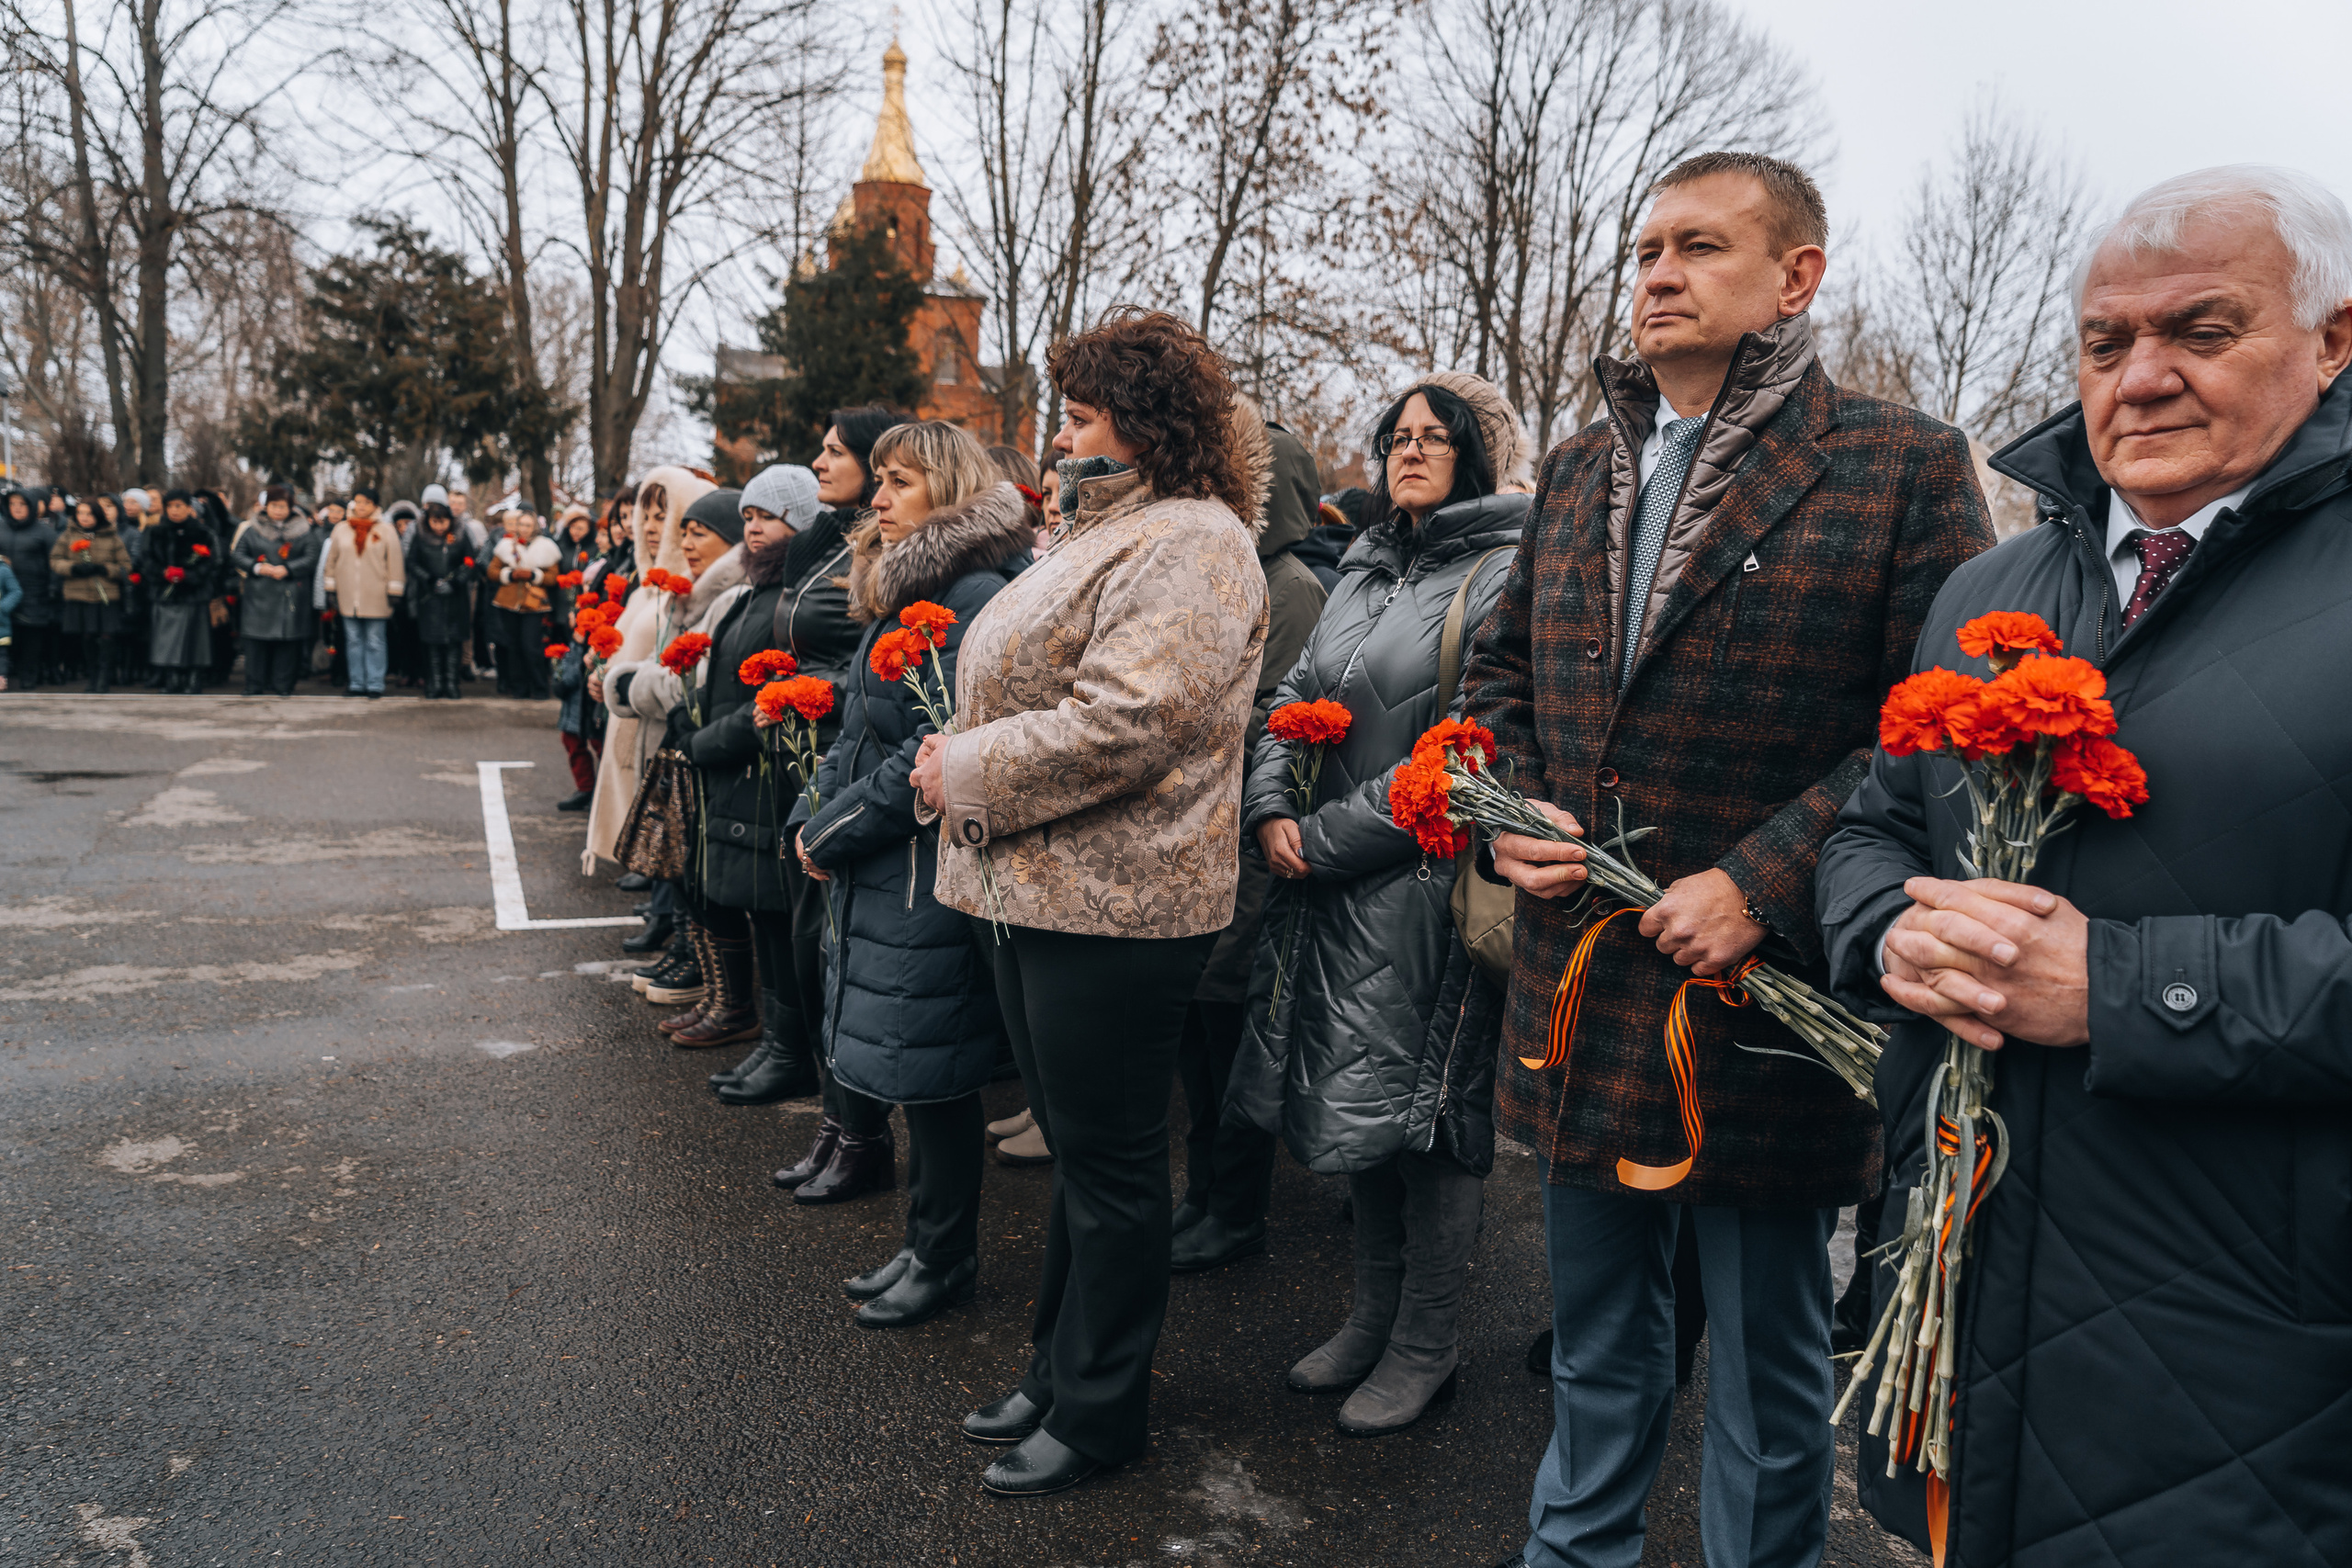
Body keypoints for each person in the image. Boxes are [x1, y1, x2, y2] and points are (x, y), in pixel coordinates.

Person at [1816, 164, 2352, 1567]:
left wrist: (2122, 986)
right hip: (1967, 1284)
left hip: (2255, 1352)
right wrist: (1886, 932)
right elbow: (1877, 822)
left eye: (2204, 330)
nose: (2146, 375)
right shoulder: (1993, 588)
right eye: (2107, 343)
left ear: (2334, 339)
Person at [1464, 152, 1993, 1568]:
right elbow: (1499, 675)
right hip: (1580, 982)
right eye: (1645, 250)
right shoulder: (1578, 465)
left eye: (1698, 247)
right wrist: (1507, 804)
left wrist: (1764, 882)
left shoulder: (1901, 463)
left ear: (1795, 277)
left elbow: (1931, 727)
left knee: (1769, 1381)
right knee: (1596, 1345)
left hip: (1763, 1006)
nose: (1655, 275)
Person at [907, 307, 1268, 1498]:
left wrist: (961, 767)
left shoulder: (1198, 541)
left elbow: (1129, 720)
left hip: (1122, 902)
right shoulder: (1104, 530)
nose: (1059, 438)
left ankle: (1102, 1407)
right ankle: (1055, 1372)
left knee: (1112, 1170)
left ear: (1147, 422)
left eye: (1079, 414)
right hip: (1042, 884)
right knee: (1080, 1159)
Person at [1225, 376, 1527, 1436]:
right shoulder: (1358, 569)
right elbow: (1286, 698)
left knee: (1427, 1122)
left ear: (1473, 455)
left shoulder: (1502, 573)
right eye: (1396, 436)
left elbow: (1475, 753)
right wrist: (1269, 811)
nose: (1408, 452)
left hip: (1423, 895)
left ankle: (1425, 1342)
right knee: (1356, 1108)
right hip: (1326, 891)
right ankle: (1370, 1317)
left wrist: (1321, 839)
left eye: (1433, 438)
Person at [785, 426, 1026, 1316]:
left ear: (950, 489)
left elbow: (932, 748)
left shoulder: (970, 596)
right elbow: (857, 730)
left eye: (898, 482)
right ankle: (925, 1246)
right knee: (910, 1065)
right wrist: (810, 816)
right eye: (876, 481)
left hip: (927, 865)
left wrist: (834, 829)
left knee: (936, 1072)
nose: (876, 499)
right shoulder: (906, 587)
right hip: (878, 861)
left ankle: (943, 1257)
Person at [1170, 413, 1331, 1267]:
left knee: (1232, 1037)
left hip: (1248, 850)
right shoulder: (1226, 570)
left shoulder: (1291, 586)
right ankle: (1202, 1194)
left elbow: (1273, 722)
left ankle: (1236, 1207)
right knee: (1199, 1033)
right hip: (1205, 841)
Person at [761, 407, 916, 1189]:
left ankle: (861, 1135)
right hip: (824, 770)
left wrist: (805, 689)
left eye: (834, 452)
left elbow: (874, 691)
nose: (819, 462)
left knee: (856, 968)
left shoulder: (908, 568)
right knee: (816, 956)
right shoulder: (839, 543)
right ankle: (836, 1121)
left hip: (862, 784)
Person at [697, 462, 843, 1104]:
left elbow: (769, 697)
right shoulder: (761, 590)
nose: (753, 528)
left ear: (803, 521)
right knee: (765, 921)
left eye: (769, 517)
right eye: (748, 517)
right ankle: (778, 1043)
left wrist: (706, 739)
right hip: (745, 780)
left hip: (770, 774)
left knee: (786, 925)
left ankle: (791, 1049)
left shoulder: (800, 599)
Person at [603, 488, 750, 1038]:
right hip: (676, 737)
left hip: (698, 742)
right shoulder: (696, 592)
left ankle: (721, 993)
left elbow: (689, 674)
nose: (685, 541)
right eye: (681, 531)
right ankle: (710, 984)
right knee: (687, 869)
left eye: (698, 531)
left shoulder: (729, 595)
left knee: (701, 871)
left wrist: (624, 681)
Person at [232, 486, 322, 696]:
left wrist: (288, 569)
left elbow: (311, 557)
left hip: (289, 593)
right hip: (259, 593)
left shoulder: (303, 530)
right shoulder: (253, 529)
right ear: (266, 506)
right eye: (273, 506)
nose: (278, 510)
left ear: (291, 507)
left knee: (287, 643)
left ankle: (283, 685)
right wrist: (257, 567)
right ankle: (254, 684)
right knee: (256, 644)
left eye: (282, 506)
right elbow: (238, 554)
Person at [322, 488, 405, 699]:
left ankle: (375, 683)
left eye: (366, 503)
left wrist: (394, 590)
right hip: (348, 594)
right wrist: (330, 587)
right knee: (352, 640)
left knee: (375, 640)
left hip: (376, 595)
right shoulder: (341, 529)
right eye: (358, 502)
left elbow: (395, 561)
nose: (361, 506)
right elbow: (331, 561)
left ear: (375, 506)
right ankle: (357, 682)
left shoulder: (386, 530)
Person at [50, 496, 132, 692]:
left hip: (105, 596)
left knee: (106, 637)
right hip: (78, 595)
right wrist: (73, 568)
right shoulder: (68, 535)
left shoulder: (111, 536)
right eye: (80, 513)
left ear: (97, 515)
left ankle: (104, 676)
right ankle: (93, 675)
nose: (84, 518)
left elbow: (126, 566)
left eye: (89, 513)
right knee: (86, 637)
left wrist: (106, 569)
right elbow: (55, 560)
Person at [143, 491, 219, 694]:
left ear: (189, 508)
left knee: (195, 639)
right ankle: (172, 678)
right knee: (167, 639)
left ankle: (194, 678)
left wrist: (188, 575)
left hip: (193, 594)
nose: (174, 511)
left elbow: (212, 564)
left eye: (179, 506)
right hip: (166, 595)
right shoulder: (155, 532)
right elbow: (146, 560)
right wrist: (163, 573)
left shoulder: (203, 533)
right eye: (170, 506)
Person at [487, 509, 560, 699]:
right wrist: (510, 575)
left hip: (534, 604)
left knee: (531, 646)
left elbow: (554, 577)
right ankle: (519, 688)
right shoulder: (505, 545)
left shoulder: (546, 546)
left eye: (528, 525)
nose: (524, 529)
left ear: (535, 526)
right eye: (521, 525)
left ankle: (540, 687)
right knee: (513, 646)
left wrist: (535, 575)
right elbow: (492, 571)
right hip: (509, 602)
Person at [403, 502, 474, 700]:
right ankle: (434, 682)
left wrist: (457, 582)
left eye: (443, 522)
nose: (440, 527)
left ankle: (451, 682)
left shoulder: (461, 536)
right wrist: (430, 580)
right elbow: (412, 562)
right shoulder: (421, 537)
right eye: (435, 522)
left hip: (455, 598)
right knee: (432, 643)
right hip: (430, 599)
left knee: (453, 642)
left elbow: (469, 562)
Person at [1, 488, 62, 691]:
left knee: (31, 635)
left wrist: (53, 587)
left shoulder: (44, 532)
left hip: (35, 590)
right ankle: (8, 673)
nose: (17, 509)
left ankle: (30, 674)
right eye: (13, 504)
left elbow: (54, 561)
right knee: (8, 634)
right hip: (5, 590)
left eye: (22, 504)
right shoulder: (1, 527)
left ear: (32, 506)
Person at [0, 547, 20, 690]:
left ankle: (1, 678)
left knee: (1, 654)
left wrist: (3, 608)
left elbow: (15, 591)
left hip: (0, 623)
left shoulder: (3, 570)